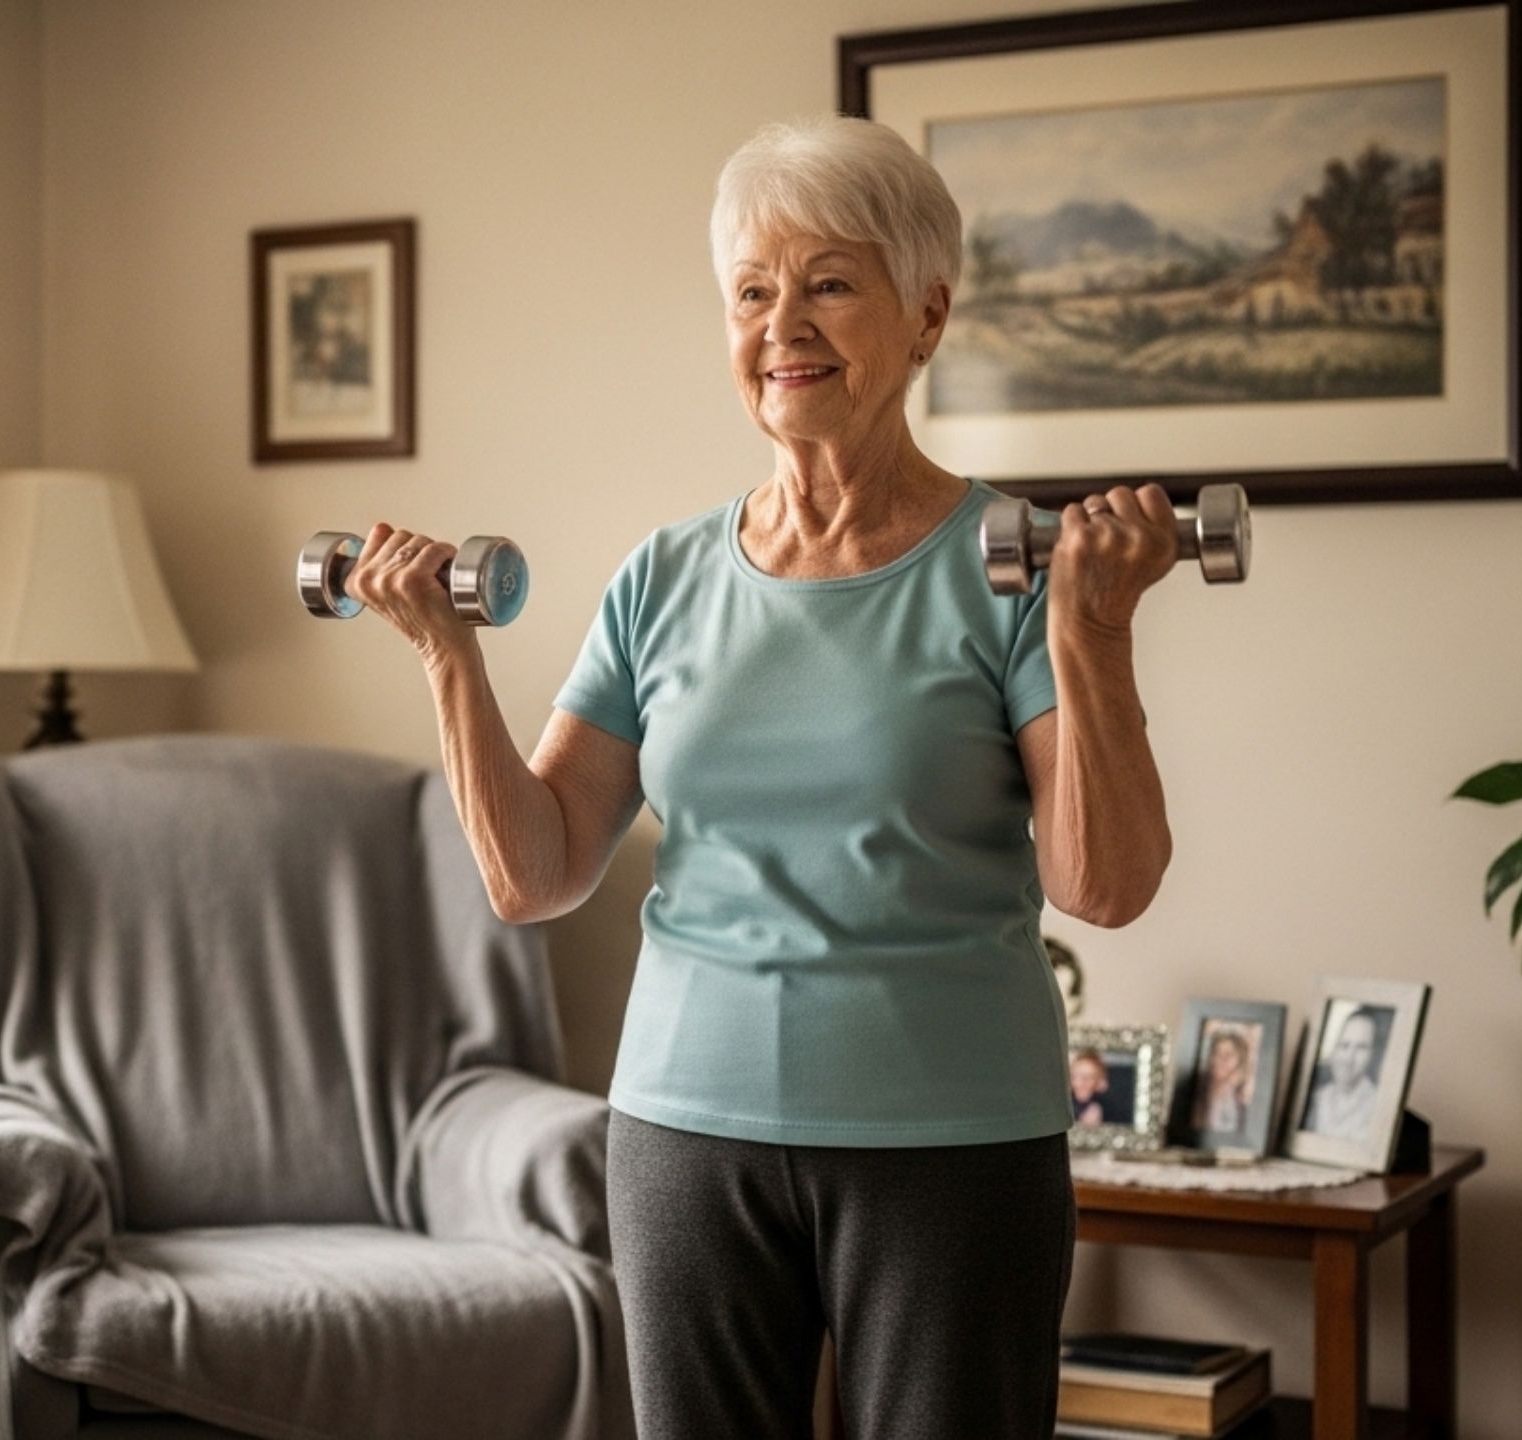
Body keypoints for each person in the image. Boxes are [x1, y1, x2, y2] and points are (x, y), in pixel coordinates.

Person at [337, 115, 1176, 1439]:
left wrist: (1095, 631)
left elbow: (1105, 884)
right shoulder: (662, 578)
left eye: (830, 281)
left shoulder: (1013, 568)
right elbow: (536, 873)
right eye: (753, 289)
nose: (784, 321)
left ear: (927, 314)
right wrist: (449, 656)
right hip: (682, 1132)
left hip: (952, 1145)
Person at [1305, 1007, 1384, 1139]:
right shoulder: (1317, 1099)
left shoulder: (1378, 1105)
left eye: (1361, 1048)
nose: (1349, 1058)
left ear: (1373, 1054)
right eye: (1344, 1045)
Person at [1193, 1027, 1253, 1136]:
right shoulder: (1196, 1093)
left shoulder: (1241, 1102)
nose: (1221, 1059)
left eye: (1229, 1055)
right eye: (1216, 1053)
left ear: (1240, 1060)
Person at [1070, 1049, 1113, 1128]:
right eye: (1073, 1076)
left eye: (1086, 1078)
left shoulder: (1105, 1108)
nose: (1077, 1083)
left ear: (1100, 1081)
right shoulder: (1063, 1103)